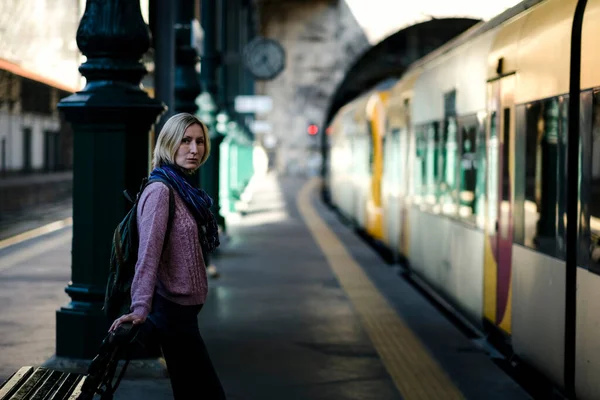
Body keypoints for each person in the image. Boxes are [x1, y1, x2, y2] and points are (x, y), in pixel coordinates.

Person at [109, 112, 226, 399]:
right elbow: (147, 254)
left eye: (199, 141)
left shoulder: (181, 189)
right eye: (185, 141)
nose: (194, 149)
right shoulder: (161, 191)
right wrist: (139, 307)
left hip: (184, 314)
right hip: (172, 314)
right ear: (169, 143)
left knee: (190, 390)